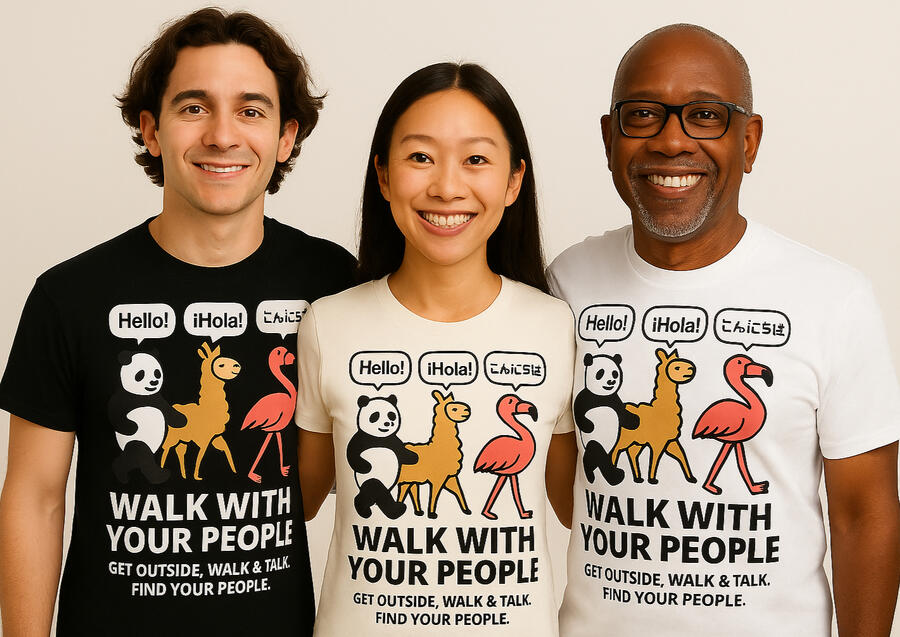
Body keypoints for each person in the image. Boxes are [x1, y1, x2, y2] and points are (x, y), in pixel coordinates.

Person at [0, 8, 355, 636]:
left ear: (286, 136)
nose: (222, 135)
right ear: (151, 130)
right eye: (194, 107)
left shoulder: (334, 284)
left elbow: (313, 488)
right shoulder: (69, 295)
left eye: (251, 111)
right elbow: (34, 497)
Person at [548, 23, 900, 637]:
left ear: (749, 140)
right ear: (609, 138)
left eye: (705, 115)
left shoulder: (833, 298)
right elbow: (568, 483)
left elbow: (865, 514)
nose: (671, 140)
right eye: (643, 115)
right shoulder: (567, 282)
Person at [296, 62, 575, 636]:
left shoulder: (557, 327)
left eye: (476, 159)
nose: (447, 187)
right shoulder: (328, 324)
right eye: (420, 157)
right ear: (383, 175)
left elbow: (579, 512)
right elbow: (299, 503)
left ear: (514, 181)